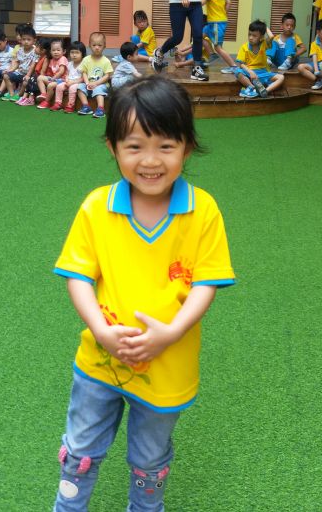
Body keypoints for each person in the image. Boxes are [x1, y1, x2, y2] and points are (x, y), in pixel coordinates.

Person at [51, 75, 235, 512]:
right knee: (81, 449)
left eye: (165, 146)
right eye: (134, 146)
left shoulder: (203, 211)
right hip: (100, 359)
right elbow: (78, 276)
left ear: (187, 147)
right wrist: (100, 330)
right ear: (113, 148)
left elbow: (206, 283)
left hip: (168, 363)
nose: (150, 161)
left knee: (150, 459)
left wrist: (170, 333)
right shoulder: (97, 206)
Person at [151, 0, 209, 81]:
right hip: (177, 2)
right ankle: (160, 53)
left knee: (198, 35)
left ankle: (196, 69)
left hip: (195, 3)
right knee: (178, 37)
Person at [232, 20, 285, 99]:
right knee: (237, 72)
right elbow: (241, 64)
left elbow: (271, 36)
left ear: (261, 37)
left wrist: (264, 26)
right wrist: (251, 72)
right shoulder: (244, 47)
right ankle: (251, 87)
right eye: (249, 34)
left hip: (263, 72)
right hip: (250, 73)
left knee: (281, 77)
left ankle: (264, 91)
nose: (250, 38)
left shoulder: (264, 44)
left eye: (254, 36)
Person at [78, 32, 114, 118]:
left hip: (101, 84)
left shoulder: (106, 61)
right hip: (89, 84)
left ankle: (100, 108)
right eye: (94, 45)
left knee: (98, 89)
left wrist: (96, 83)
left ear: (104, 46)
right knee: (80, 87)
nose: (97, 47)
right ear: (90, 46)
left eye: (99, 45)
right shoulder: (86, 59)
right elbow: (84, 72)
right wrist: (87, 83)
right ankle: (86, 106)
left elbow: (107, 76)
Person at [1, 24, 38, 102]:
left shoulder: (35, 51)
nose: (26, 41)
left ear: (34, 40)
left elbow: (33, 65)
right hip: (20, 72)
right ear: (21, 40)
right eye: (24, 39)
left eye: (29, 39)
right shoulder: (20, 50)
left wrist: (28, 75)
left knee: (25, 82)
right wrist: (10, 70)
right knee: (6, 76)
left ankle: (18, 95)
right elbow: (18, 63)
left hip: (29, 74)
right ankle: (11, 94)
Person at [53, 41, 86, 112]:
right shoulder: (69, 64)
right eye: (72, 52)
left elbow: (83, 79)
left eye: (77, 53)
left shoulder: (83, 65)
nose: (74, 55)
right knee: (59, 86)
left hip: (78, 83)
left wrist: (72, 82)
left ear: (82, 54)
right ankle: (58, 103)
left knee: (72, 88)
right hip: (69, 82)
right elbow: (67, 74)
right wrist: (67, 79)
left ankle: (71, 105)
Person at [201, 0, 229, 64]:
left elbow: (202, 2)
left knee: (218, 47)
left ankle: (233, 66)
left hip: (216, 22)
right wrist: (223, 14)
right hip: (213, 22)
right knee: (199, 36)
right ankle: (212, 54)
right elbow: (228, 2)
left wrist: (189, 8)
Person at [16, 38, 51, 107]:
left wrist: (35, 78)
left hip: (41, 77)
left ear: (43, 50)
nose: (35, 48)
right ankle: (24, 97)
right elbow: (33, 67)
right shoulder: (38, 56)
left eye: (37, 47)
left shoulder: (46, 58)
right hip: (36, 76)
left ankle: (31, 99)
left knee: (32, 80)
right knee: (29, 79)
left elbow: (43, 72)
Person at [37, 39, 69, 109]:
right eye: (53, 50)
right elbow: (50, 72)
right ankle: (43, 94)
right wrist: (49, 78)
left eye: (58, 50)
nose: (56, 52)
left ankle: (47, 102)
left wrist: (53, 79)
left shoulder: (63, 58)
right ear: (50, 52)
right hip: (54, 79)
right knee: (40, 77)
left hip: (62, 80)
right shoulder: (52, 60)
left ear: (64, 51)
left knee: (50, 85)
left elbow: (61, 71)